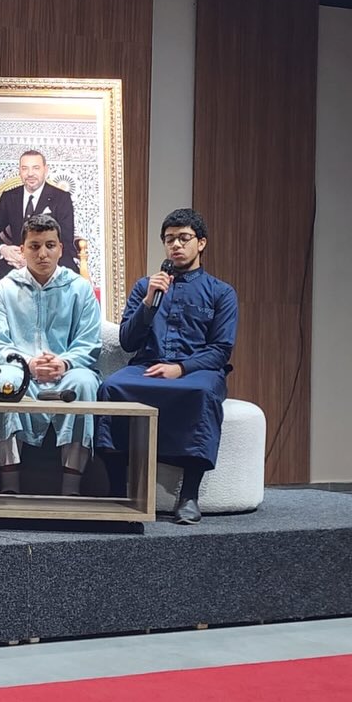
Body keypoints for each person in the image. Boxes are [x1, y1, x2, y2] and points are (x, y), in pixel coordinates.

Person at [94, 208, 238, 524]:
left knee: (201, 394)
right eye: (170, 239)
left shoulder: (221, 292)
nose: (176, 245)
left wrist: (181, 369)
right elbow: (128, 341)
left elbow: (220, 350)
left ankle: (189, 496)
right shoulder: (146, 286)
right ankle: (117, 490)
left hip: (198, 372)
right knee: (111, 387)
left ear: (201, 243)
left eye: (184, 238)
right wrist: (148, 302)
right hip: (148, 366)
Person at [0, 214, 102, 495]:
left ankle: (71, 486)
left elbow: (89, 342)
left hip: (67, 372)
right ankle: (10, 484)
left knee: (85, 382)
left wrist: (64, 362)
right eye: (34, 246)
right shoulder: (5, 288)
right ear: (22, 250)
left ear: (60, 249)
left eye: (50, 245)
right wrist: (28, 364)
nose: (42, 253)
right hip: (22, 371)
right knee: (4, 381)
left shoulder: (79, 288)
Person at [0, 150, 77, 296]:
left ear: (45, 170)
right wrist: (3, 250)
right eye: (25, 168)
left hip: (52, 261)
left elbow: (65, 239)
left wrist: (34, 261)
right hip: (17, 261)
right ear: (19, 171)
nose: (30, 174)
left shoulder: (61, 198)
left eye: (35, 168)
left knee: (67, 273)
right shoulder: (10, 197)